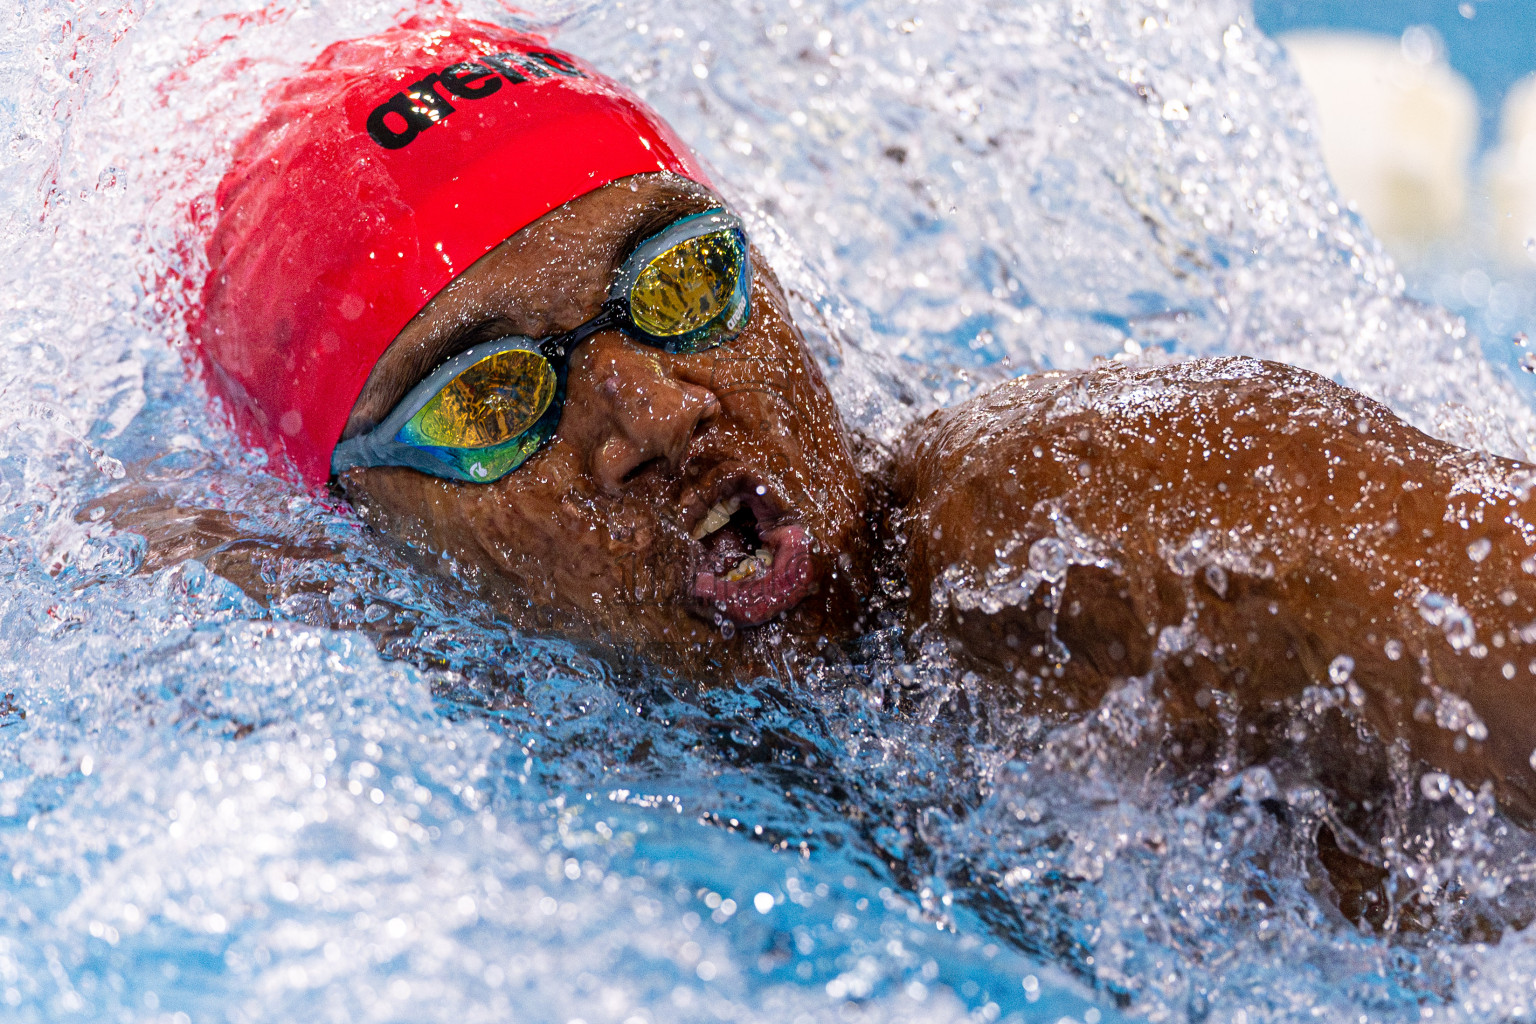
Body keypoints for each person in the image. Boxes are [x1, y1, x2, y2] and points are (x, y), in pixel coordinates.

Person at [193, 16, 1536, 837]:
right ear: (374, 521)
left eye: (676, 280)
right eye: (493, 394)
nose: (657, 411)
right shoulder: (404, 676)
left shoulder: (1077, 533)